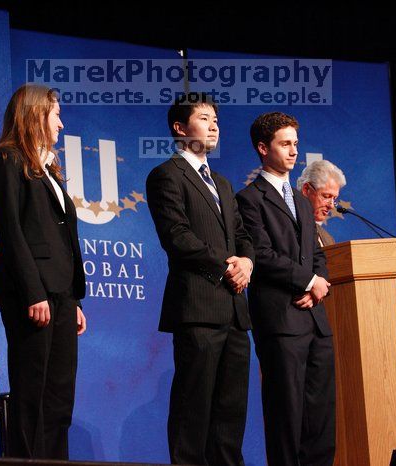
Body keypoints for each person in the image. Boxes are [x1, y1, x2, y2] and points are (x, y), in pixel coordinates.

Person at [146, 93, 255, 466]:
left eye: (216, 120)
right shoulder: (166, 175)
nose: (214, 125)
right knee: (194, 410)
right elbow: (177, 236)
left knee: (231, 415)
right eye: (204, 118)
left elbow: (242, 236)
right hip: (198, 307)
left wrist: (247, 263)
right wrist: (227, 265)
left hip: (235, 312)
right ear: (180, 128)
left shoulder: (223, 184)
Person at [0, 83, 87, 460]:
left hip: (61, 294)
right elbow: (12, 230)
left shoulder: (49, 170)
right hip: (31, 293)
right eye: (56, 114)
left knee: (60, 395)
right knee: (32, 391)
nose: (61, 123)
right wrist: (34, 292)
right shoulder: (6, 160)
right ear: (35, 113)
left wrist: (72, 298)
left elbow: (62, 240)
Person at [236, 112, 335, 466]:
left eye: (295, 143)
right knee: (287, 418)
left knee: (320, 421)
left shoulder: (300, 200)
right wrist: (307, 281)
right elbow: (260, 254)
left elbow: (316, 252)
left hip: (316, 323)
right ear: (263, 148)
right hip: (281, 321)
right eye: (284, 143)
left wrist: (319, 285)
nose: (294, 151)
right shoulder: (249, 199)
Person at [296, 160, 347, 246]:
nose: (331, 206)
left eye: (334, 199)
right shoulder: (286, 226)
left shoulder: (328, 238)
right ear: (306, 190)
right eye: (326, 196)